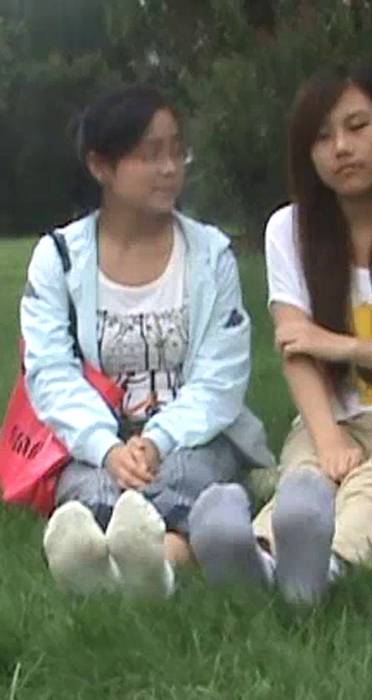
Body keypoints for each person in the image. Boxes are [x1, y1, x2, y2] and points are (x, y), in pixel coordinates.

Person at [189, 66, 372, 604]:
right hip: (332, 415)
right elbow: (296, 349)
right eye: (322, 137)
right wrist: (329, 437)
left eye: (358, 126)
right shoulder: (288, 230)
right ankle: (252, 557)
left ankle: (327, 567)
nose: (341, 147)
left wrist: (347, 347)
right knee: (304, 483)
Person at [20, 85, 274, 598]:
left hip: (191, 433)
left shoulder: (210, 254)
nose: (170, 168)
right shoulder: (59, 258)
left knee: (185, 476)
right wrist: (107, 448)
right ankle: (125, 560)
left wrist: (157, 439)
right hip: (100, 435)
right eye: (150, 154)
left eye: (177, 150)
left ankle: (140, 566)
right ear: (101, 166)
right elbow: (49, 372)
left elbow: (221, 375)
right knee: (90, 486)